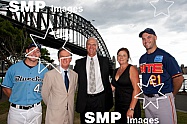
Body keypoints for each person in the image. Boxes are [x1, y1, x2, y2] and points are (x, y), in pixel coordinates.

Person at [139, 28, 184, 124]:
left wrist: (172, 94)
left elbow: (179, 78)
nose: (146, 40)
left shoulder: (166, 57)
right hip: (147, 100)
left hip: (163, 99)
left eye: (149, 37)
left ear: (155, 38)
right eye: (143, 39)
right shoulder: (142, 59)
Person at [1, 42, 48, 124]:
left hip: (36, 109)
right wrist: (16, 98)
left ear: (40, 54)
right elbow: (6, 87)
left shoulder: (44, 70)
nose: (34, 53)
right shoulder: (14, 68)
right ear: (27, 51)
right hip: (16, 111)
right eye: (32, 50)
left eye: (37, 51)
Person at [74, 37, 113, 124]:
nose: (91, 47)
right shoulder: (79, 63)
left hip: (101, 99)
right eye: (89, 44)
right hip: (85, 100)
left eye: (94, 45)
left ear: (97, 47)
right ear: (86, 46)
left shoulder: (105, 61)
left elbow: (114, 75)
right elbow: (72, 79)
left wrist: (113, 85)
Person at [42, 47, 78, 124]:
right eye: (62, 57)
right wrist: (55, 106)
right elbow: (45, 95)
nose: (65, 59)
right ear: (58, 59)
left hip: (69, 116)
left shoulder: (75, 75)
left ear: (71, 59)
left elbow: (72, 92)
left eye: (67, 57)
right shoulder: (49, 75)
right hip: (54, 116)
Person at [111, 48, 141, 124]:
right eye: (119, 55)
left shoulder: (132, 69)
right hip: (118, 106)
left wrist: (131, 108)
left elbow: (137, 90)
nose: (121, 57)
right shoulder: (116, 71)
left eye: (124, 55)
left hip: (130, 105)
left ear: (128, 57)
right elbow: (112, 87)